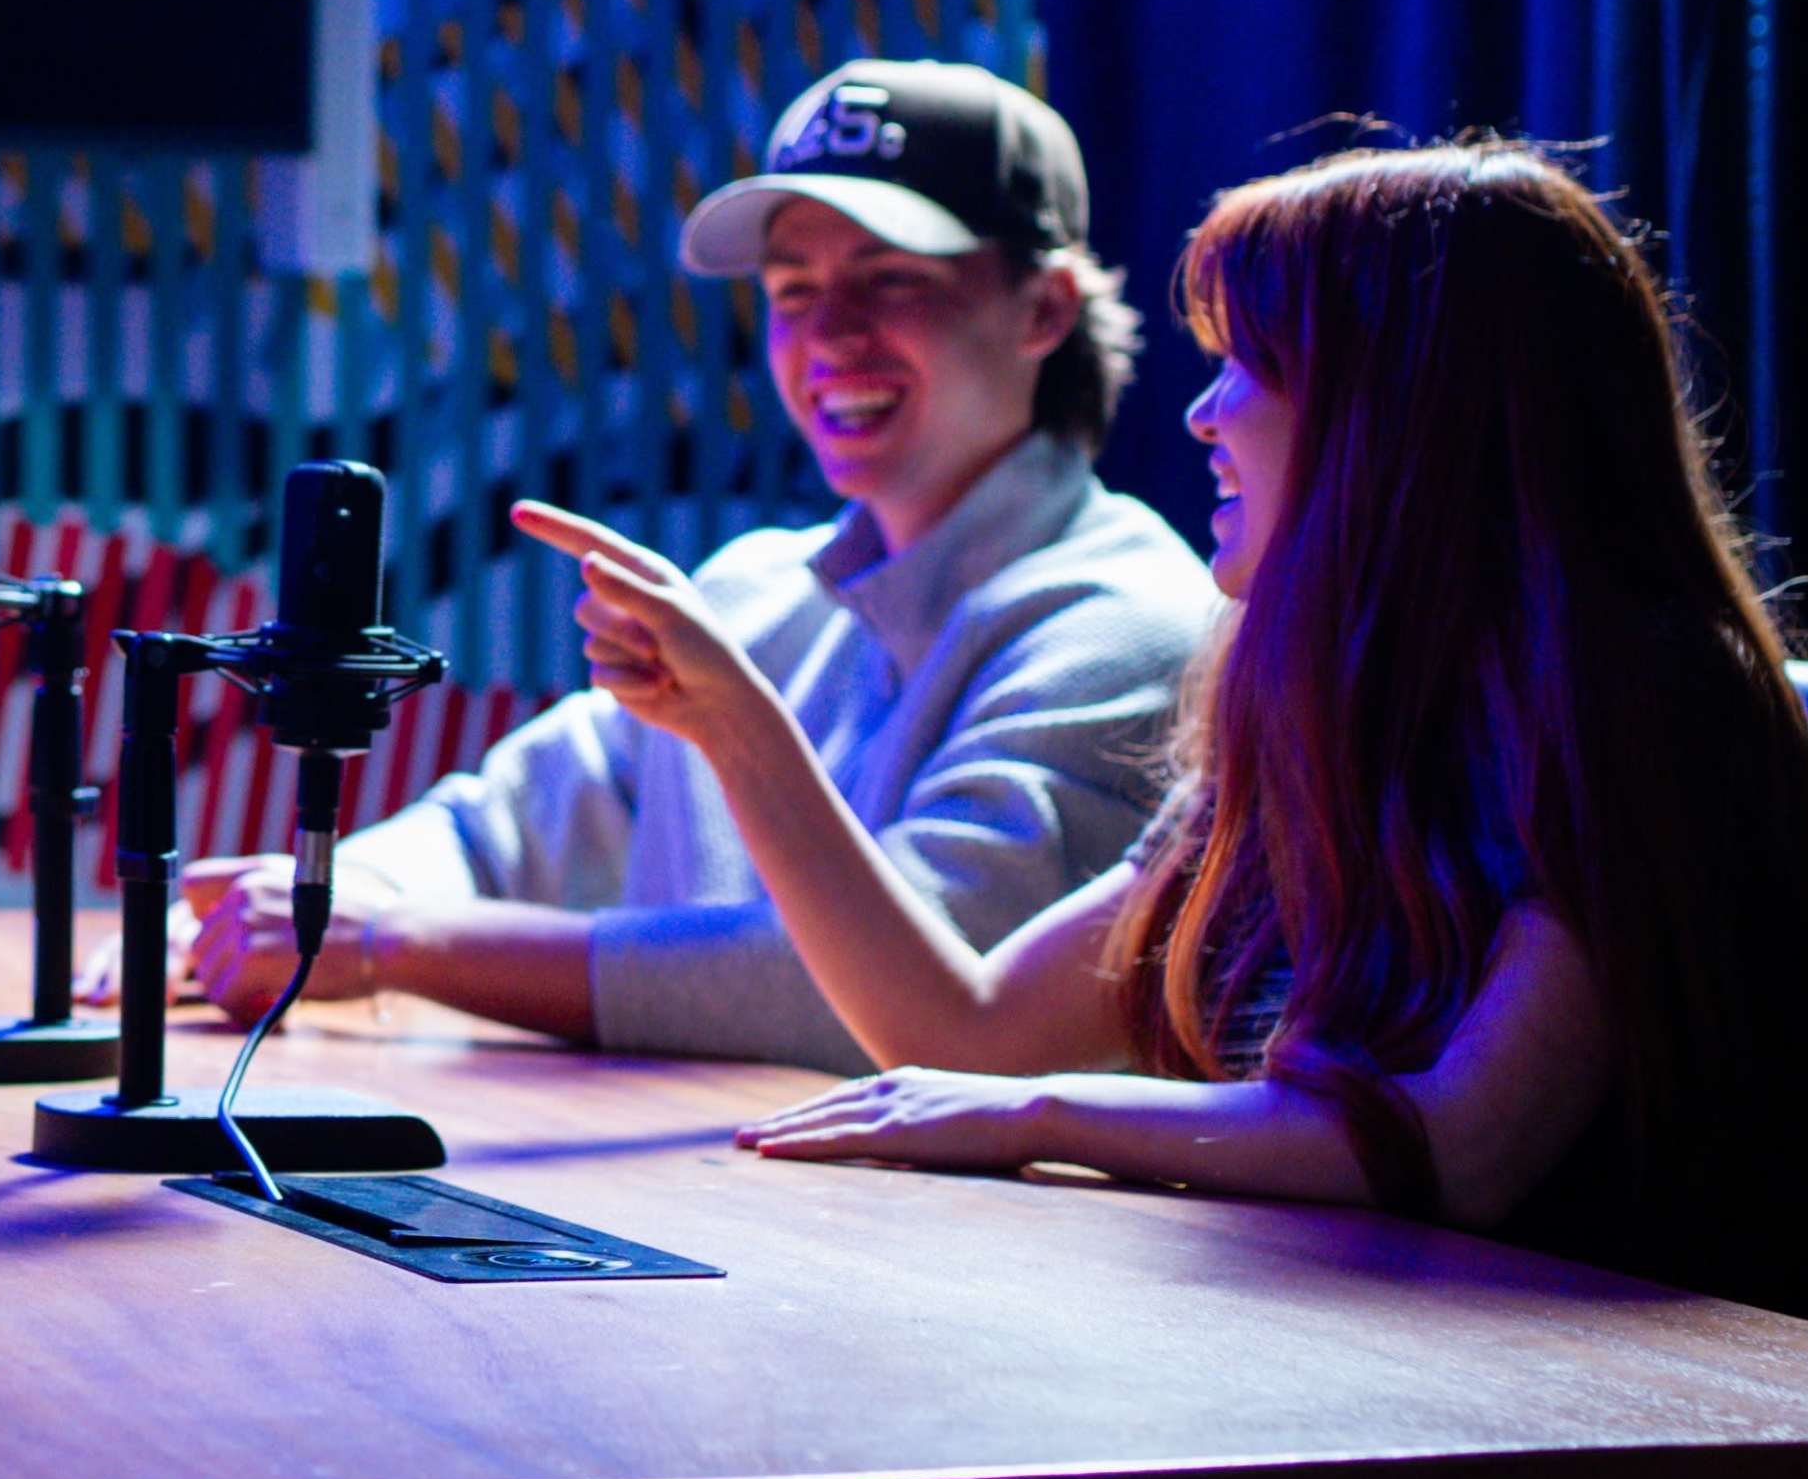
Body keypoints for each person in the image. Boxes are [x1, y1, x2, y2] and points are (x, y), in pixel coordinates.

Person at [521, 140, 1808, 1304]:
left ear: (1404, 413)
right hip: (1355, 1399)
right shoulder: (1301, 693)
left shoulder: (1644, 698)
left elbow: (1463, 1148)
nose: (1203, 410)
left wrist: (1045, 1117)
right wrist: (742, 732)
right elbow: (967, 1027)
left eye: (1253, 364)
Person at [168, 60, 1217, 1070]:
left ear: (1045, 309)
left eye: (892, 280)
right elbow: (496, 828)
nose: (831, 335)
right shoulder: (757, 589)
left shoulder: (1130, 624)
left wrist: (391, 945)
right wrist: (276, 916)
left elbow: (898, 1000)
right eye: (793, 288)